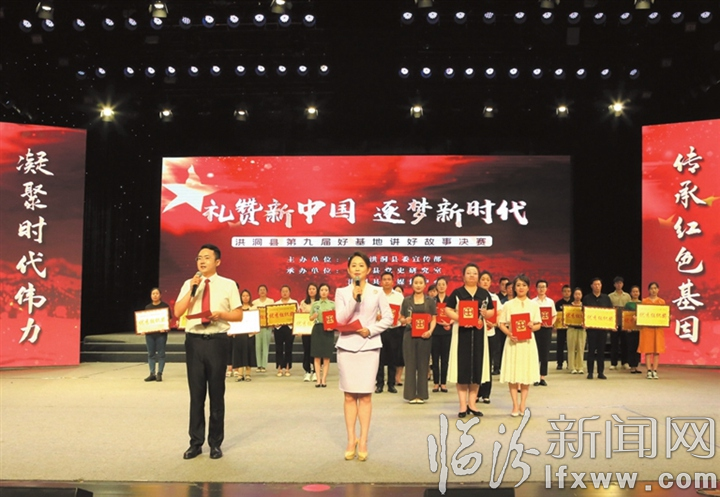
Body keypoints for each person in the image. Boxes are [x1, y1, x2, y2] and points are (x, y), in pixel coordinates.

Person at [174, 244, 242, 460]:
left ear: (217, 262)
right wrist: (192, 290)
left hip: (217, 342)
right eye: (199, 258)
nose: (201, 261)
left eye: (206, 257)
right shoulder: (189, 283)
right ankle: (195, 443)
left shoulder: (228, 285)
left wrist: (221, 314)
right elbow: (178, 311)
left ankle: (215, 443)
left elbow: (238, 314)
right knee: (196, 396)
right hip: (194, 342)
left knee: (216, 394)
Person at [335, 252, 393, 462]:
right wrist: (354, 297)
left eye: (361, 265)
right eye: (354, 265)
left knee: (366, 396)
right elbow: (340, 319)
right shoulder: (342, 292)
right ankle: (351, 439)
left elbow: (389, 318)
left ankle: (364, 440)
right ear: (348, 270)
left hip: (369, 346)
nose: (357, 268)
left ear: (368, 270)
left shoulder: (377, 292)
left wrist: (371, 330)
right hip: (347, 347)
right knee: (349, 395)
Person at [444, 263, 495, 418]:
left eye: (474, 273)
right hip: (461, 334)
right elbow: (447, 309)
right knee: (462, 369)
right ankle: (462, 406)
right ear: (463, 276)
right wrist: (459, 318)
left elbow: (491, 311)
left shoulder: (484, 294)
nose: (472, 275)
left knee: (477, 368)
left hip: (479, 333)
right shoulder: (457, 293)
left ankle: (472, 404)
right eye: (469, 273)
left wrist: (486, 314)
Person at [497, 274, 542, 416]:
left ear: (528, 287)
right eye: (518, 285)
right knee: (513, 373)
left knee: (526, 373)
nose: (521, 288)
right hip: (513, 343)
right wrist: (509, 334)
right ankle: (515, 405)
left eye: (524, 285)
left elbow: (539, 325)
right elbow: (501, 324)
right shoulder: (508, 305)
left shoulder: (533, 305)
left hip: (528, 343)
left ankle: (523, 403)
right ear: (513, 288)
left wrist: (532, 326)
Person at [399, 274, 437, 404]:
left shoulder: (430, 301)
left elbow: (434, 319)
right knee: (410, 365)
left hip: (424, 336)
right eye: (416, 283)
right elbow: (400, 318)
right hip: (409, 335)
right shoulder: (406, 301)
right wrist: (405, 320)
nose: (418, 285)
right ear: (412, 285)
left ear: (425, 285)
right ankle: (410, 395)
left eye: (421, 283)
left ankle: (421, 395)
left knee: (423, 364)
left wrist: (430, 331)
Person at [375, 271, 404, 394]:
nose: (386, 281)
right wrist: (376, 316)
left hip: (394, 330)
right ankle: (379, 384)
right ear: (381, 281)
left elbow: (402, 313)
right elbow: (371, 311)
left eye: (389, 279)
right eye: (384, 279)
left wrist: (400, 317)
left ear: (393, 281)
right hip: (380, 330)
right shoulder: (376, 295)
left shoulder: (399, 296)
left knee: (393, 358)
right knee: (379, 359)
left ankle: (391, 384)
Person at [582, 278, 613, 380]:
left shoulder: (606, 298)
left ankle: (601, 372)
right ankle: (590, 372)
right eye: (595, 284)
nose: (597, 286)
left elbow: (610, 312)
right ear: (591, 286)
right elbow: (583, 312)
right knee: (591, 351)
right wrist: (584, 322)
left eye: (599, 284)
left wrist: (612, 325)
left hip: (602, 329)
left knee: (601, 351)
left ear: (601, 286)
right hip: (591, 329)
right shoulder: (587, 298)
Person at [478, 270, 501, 403]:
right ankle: (476, 392)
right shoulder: (474, 296)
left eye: (488, 279)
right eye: (483, 279)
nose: (485, 282)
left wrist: (495, 323)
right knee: (478, 363)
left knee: (488, 363)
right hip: (477, 333)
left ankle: (486, 393)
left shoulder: (494, 297)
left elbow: (500, 313)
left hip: (490, 333)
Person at [637, 282, 666, 379]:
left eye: (655, 288)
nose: (653, 290)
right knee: (648, 350)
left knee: (657, 350)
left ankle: (655, 370)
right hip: (647, 328)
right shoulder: (644, 301)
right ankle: (649, 370)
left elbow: (664, 314)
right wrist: (637, 318)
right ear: (648, 290)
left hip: (657, 329)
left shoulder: (661, 302)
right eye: (651, 288)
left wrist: (668, 318)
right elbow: (641, 314)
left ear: (658, 289)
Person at [309, 283, 336, 387]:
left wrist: (332, 326)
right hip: (318, 329)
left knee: (326, 356)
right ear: (319, 292)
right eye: (322, 290)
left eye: (326, 290)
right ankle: (318, 379)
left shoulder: (332, 304)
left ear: (329, 292)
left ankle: (324, 379)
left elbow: (336, 318)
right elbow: (310, 318)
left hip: (328, 330)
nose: (324, 292)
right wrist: (314, 316)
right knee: (317, 356)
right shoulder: (315, 304)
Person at [143, 287, 171, 382]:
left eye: (157, 293)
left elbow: (169, 319)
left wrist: (166, 327)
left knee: (161, 354)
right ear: (151, 296)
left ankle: (159, 373)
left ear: (160, 295)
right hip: (150, 334)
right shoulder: (148, 307)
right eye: (153, 294)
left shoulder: (165, 306)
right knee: (151, 354)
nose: (155, 295)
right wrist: (143, 329)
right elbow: (144, 320)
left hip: (161, 335)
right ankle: (152, 373)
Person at [532, 279, 556, 386]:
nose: (541, 289)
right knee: (535, 353)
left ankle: (542, 377)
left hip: (547, 329)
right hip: (536, 329)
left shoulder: (550, 302)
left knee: (545, 353)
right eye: (539, 287)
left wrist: (551, 323)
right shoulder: (532, 302)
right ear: (536, 288)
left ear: (546, 288)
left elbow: (554, 315)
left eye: (543, 287)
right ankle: (535, 377)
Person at [431, 276, 452, 393]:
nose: (441, 286)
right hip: (435, 331)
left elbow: (455, 314)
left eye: (443, 284)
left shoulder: (450, 300)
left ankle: (443, 383)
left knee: (445, 359)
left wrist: (450, 323)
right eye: (439, 284)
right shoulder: (432, 301)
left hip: (447, 331)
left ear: (447, 286)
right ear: (436, 287)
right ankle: (435, 383)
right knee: (435, 359)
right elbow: (429, 315)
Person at [230, 289, 256, 381]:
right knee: (239, 353)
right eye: (243, 296)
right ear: (240, 297)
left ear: (250, 297)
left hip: (249, 334)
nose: (245, 298)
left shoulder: (253, 308)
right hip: (239, 334)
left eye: (247, 296)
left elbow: (256, 321)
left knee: (249, 353)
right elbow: (232, 320)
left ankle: (248, 374)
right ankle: (240, 374)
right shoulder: (237, 308)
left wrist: (256, 329)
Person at [274, 285, 298, 377]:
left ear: (289, 292)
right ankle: (280, 368)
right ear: (280, 293)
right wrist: (274, 324)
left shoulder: (294, 303)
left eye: (286, 291)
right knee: (278, 348)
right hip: (278, 328)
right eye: (283, 291)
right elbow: (273, 316)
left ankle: (287, 367)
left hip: (290, 328)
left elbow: (297, 315)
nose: (284, 293)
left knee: (289, 348)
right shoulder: (276, 304)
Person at [608, 276, 631, 371]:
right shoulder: (610, 296)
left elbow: (629, 310)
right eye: (617, 283)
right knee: (614, 344)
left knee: (625, 343)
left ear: (623, 284)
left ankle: (625, 362)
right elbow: (609, 311)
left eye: (620, 283)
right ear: (614, 285)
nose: (619, 285)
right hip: (614, 322)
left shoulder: (627, 296)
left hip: (624, 322)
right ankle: (613, 363)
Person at [299, 283, 319, 382]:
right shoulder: (303, 303)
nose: (311, 290)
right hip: (306, 330)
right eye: (310, 289)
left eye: (313, 289)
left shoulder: (320, 302)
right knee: (306, 350)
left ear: (317, 290)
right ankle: (307, 371)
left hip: (317, 330)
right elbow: (300, 316)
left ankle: (315, 371)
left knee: (316, 350)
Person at [252, 284, 274, 373]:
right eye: (260, 290)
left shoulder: (271, 301)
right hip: (257, 327)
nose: (262, 291)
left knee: (265, 346)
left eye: (264, 290)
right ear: (258, 292)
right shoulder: (254, 302)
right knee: (257, 346)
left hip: (267, 327)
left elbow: (272, 314)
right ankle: (258, 365)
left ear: (267, 291)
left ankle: (264, 365)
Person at [566, 287, 586, 375]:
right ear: (573, 295)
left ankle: (580, 367)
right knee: (571, 348)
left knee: (581, 348)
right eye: (576, 294)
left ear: (581, 295)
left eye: (579, 294)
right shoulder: (569, 306)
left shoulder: (585, 306)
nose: (577, 296)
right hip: (571, 329)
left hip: (582, 329)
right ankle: (572, 367)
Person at [623, 285, 642, 374]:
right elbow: (625, 316)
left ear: (639, 293)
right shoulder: (628, 304)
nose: (635, 293)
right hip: (630, 329)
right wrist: (627, 327)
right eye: (633, 291)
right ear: (630, 293)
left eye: (637, 291)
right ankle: (632, 366)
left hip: (639, 329)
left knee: (638, 348)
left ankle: (636, 365)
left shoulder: (642, 304)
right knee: (631, 347)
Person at [554, 285, 572, 370]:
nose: (566, 293)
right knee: (560, 346)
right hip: (561, 328)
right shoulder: (558, 303)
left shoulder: (573, 303)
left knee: (570, 346)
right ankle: (559, 363)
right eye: (565, 291)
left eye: (568, 291)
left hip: (571, 328)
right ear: (562, 292)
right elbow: (555, 315)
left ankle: (570, 362)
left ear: (570, 293)